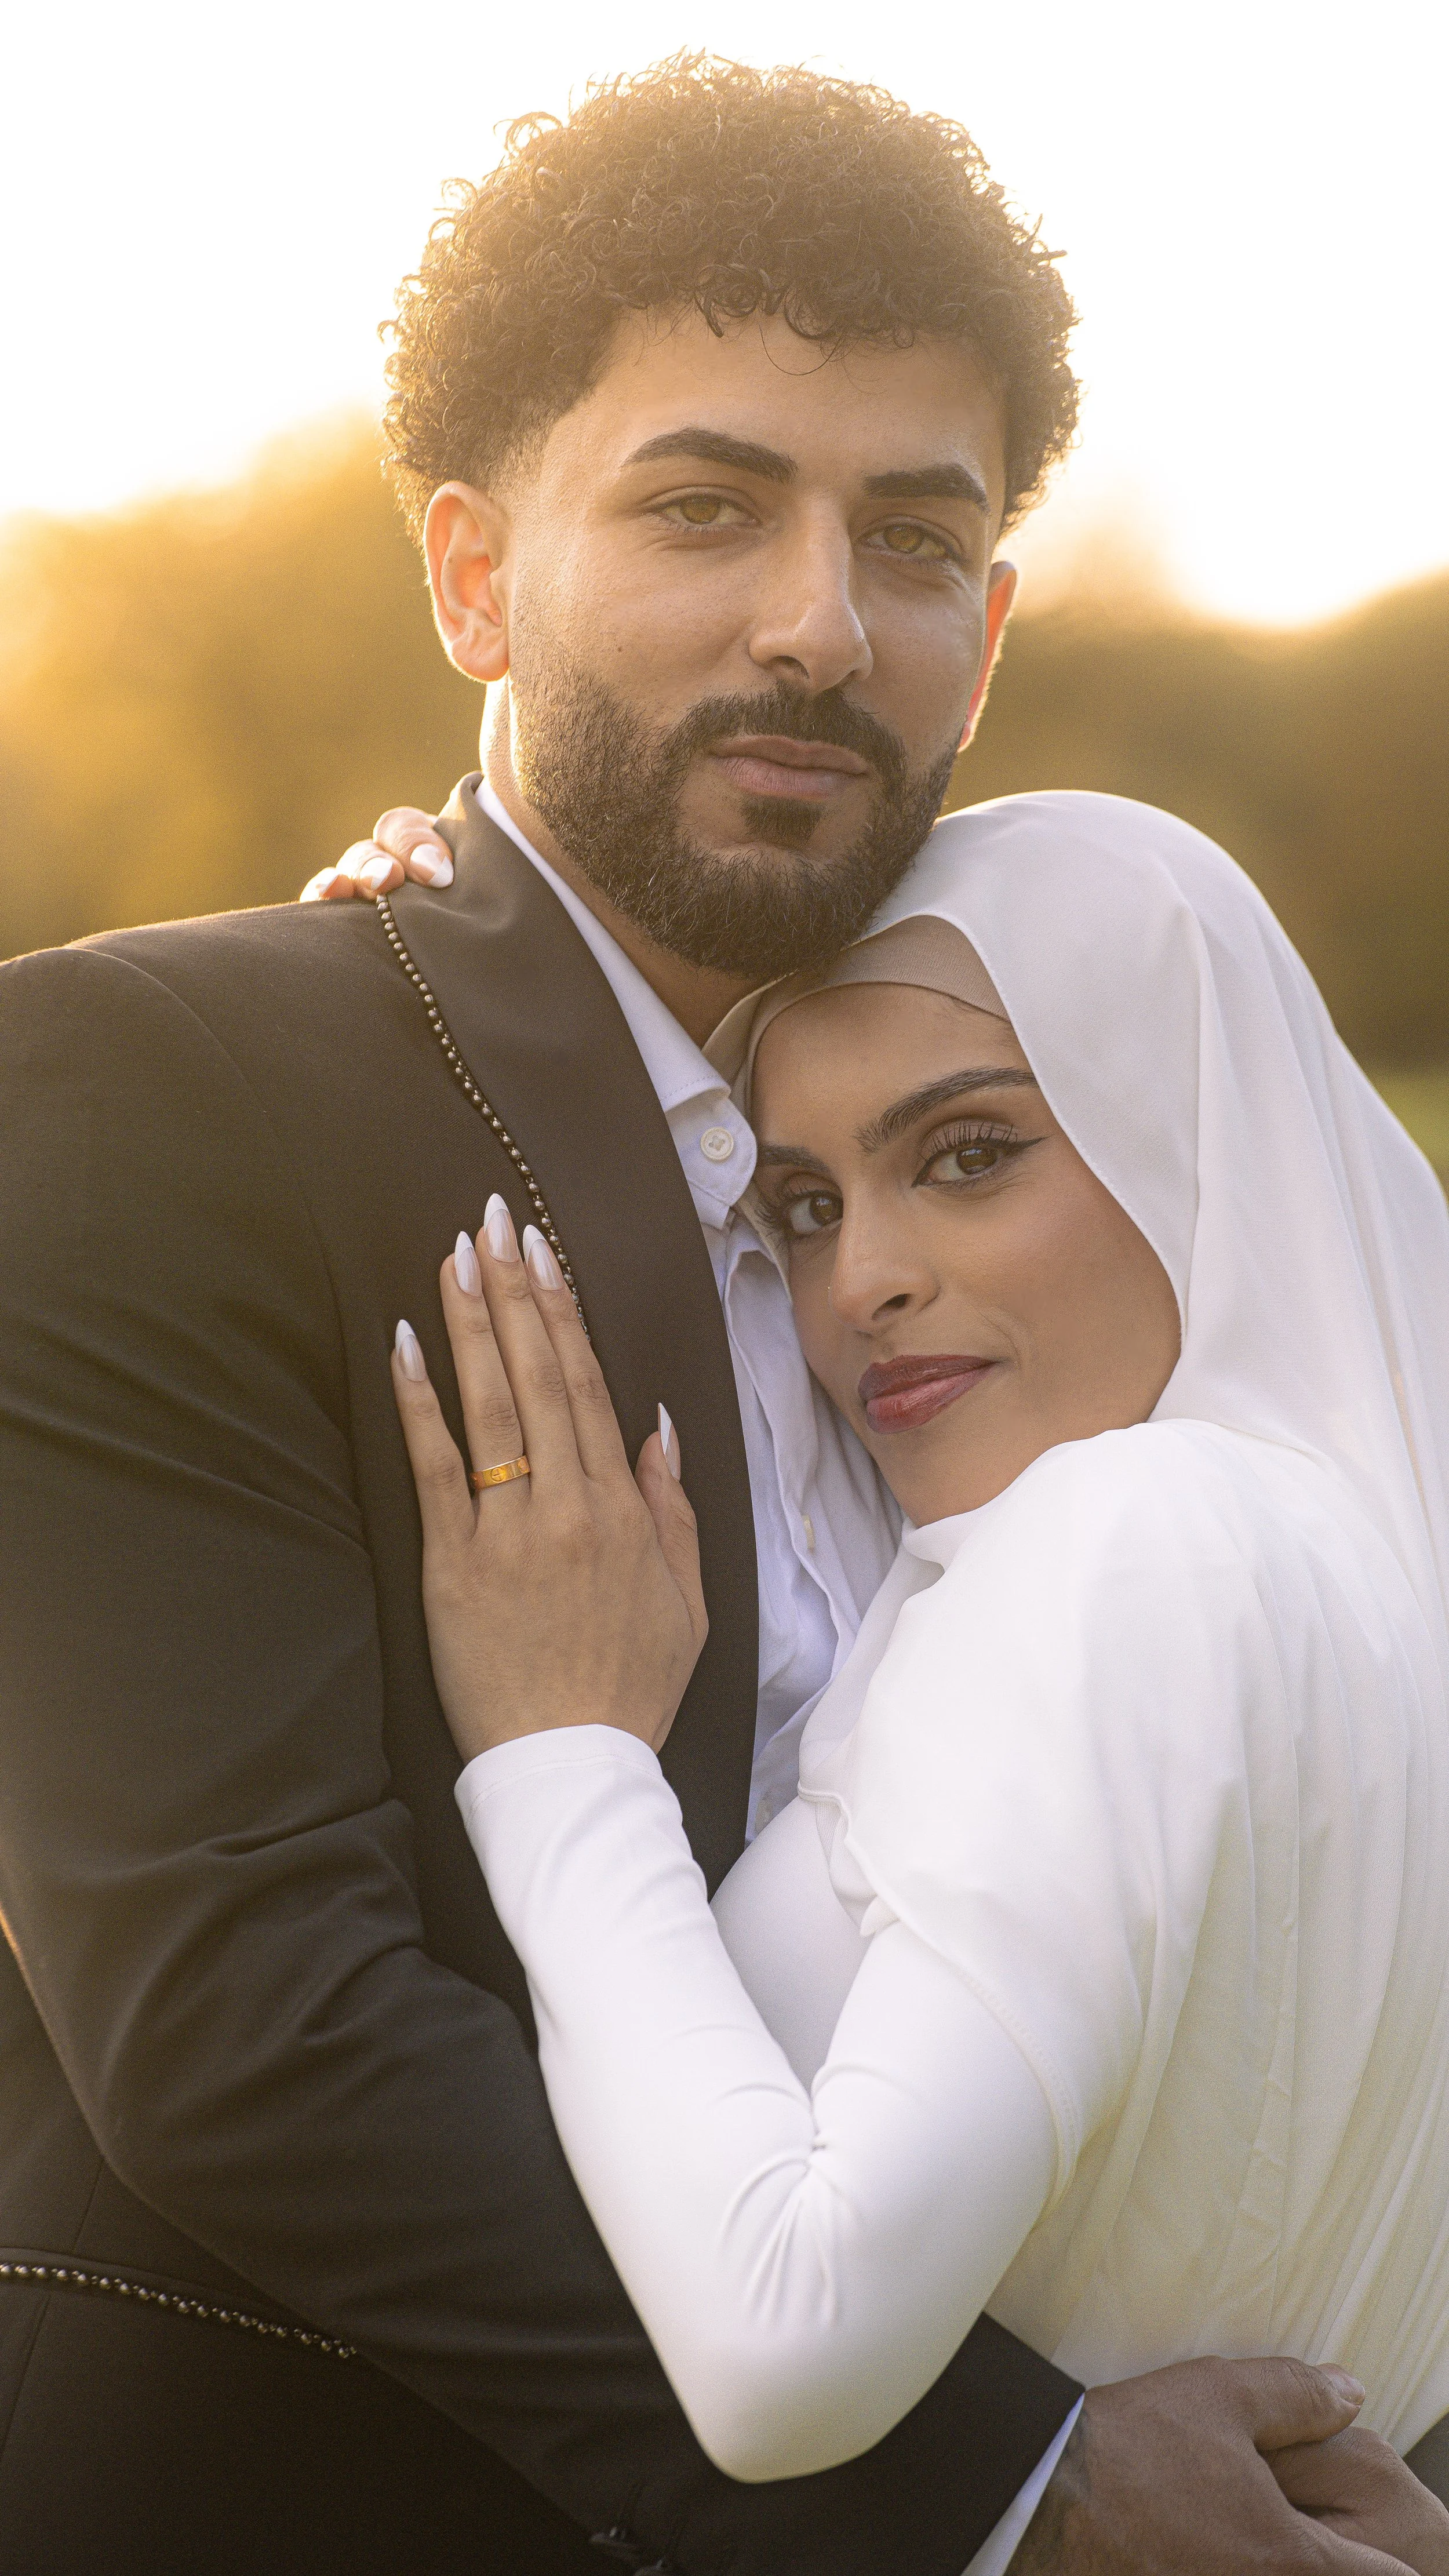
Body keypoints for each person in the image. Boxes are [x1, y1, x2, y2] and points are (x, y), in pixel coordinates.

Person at [0, 52, 1432, 2576]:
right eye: (702, 505)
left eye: (912, 538)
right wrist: (1016, 2487)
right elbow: (244, 2018)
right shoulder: (152, 1088)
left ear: (983, 638)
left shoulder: (1077, 1147)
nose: (815, 622)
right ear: (472, 577)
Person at [388, 791, 1449, 2564]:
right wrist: (437, 950)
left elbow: (784, 2346)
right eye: (802, 1204)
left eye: (967, 1154)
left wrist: (564, 1760)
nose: (859, 1282)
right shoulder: (1365, 1599)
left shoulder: (1127, 1546)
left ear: (1192, 1128)